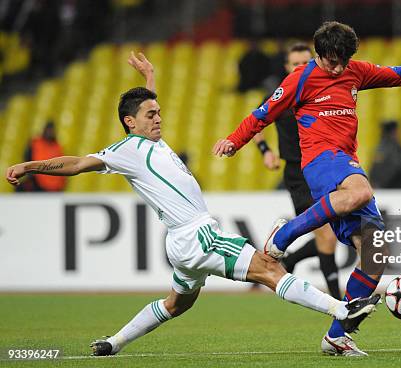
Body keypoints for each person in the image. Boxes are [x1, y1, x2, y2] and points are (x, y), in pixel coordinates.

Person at [5, 51, 379, 357]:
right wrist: (30, 166)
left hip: (180, 245)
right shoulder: (127, 150)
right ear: (129, 123)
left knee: (175, 304)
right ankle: (341, 309)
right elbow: (76, 164)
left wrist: (149, 77)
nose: (159, 118)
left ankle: (114, 342)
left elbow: (142, 107)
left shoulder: (147, 140)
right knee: (268, 266)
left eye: (159, 112)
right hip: (198, 234)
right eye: (151, 115)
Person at [213, 21, 401, 356]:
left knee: (375, 255)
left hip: (346, 161)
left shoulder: (355, 71)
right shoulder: (301, 78)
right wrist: (234, 141)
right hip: (321, 161)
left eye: (342, 61)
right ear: (319, 53)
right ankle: (283, 235)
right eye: (330, 61)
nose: (337, 68)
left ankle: (337, 336)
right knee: (362, 192)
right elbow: (261, 114)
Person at [253, 42, 340, 299]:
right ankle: (339, 303)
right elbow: (256, 124)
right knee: (326, 235)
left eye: (305, 62)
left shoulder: (322, 90)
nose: (301, 67)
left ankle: (289, 261)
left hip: (322, 169)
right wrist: (266, 151)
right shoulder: (279, 93)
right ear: (286, 67)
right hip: (298, 174)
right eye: (296, 64)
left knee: (330, 236)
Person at [18, 121, 67, 192]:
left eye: (52, 130)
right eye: (49, 130)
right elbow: (27, 160)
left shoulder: (57, 147)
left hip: (55, 186)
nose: (50, 132)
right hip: (37, 183)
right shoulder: (35, 143)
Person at [369, 120, 401, 188]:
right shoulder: (395, 148)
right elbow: (399, 168)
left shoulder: (379, 147)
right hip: (392, 188)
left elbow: (373, 170)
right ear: (394, 132)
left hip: (381, 187)